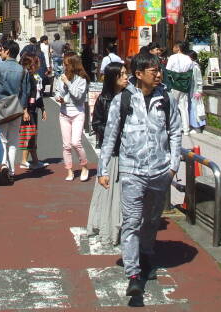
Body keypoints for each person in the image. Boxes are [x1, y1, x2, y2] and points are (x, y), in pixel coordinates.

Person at [98, 51, 181, 297]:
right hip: (131, 169)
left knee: (152, 219)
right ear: (139, 74)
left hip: (159, 170)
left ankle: (146, 254)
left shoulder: (165, 98)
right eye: (153, 70)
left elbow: (175, 131)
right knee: (132, 221)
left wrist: (173, 164)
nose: (158, 74)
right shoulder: (122, 99)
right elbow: (110, 135)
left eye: (159, 69)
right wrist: (102, 169)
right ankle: (133, 274)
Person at [87, 62, 129, 247]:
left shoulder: (131, 97)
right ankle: (110, 227)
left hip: (128, 151)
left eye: (126, 73)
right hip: (112, 153)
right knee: (111, 191)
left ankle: (124, 228)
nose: (126, 77)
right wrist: (114, 130)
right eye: (121, 74)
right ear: (113, 78)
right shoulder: (104, 99)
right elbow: (96, 123)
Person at [0, 40, 30, 185]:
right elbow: (25, 92)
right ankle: (11, 171)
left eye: (2, 49)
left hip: (1, 106)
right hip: (16, 107)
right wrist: (23, 108)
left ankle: (4, 164)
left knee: (2, 139)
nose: (1, 51)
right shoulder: (23, 70)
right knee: (13, 141)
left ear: (7, 51)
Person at [54, 54, 90, 182]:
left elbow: (78, 96)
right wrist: (59, 97)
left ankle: (84, 166)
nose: (63, 66)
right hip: (64, 113)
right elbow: (57, 92)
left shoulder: (81, 79)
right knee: (66, 145)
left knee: (76, 142)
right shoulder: (61, 77)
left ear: (73, 65)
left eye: (66, 64)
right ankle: (69, 170)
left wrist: (67, 83)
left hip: (78, 113)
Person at [19, 54, 48, 170]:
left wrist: (43, 108)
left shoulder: (36, 76)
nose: (40, 64)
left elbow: (38, 94)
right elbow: (25, 94)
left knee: (32, 134)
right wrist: (25, 110)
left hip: (34, 108)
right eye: (37, 62)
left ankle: (33, 160)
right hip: (28, 109)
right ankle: (24, 160)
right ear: (32, 64)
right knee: (28, 134)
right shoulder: (26, 76)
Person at [164, 41, 194, 135]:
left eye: (174, 46)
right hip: (184, 84)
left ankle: (173, 127)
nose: (173, 48)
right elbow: (190, 70)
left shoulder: (173, 57)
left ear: (178, 48)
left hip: (175, 84)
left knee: (173, 106)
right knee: (184, 107)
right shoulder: (188, 58)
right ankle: (186, 129)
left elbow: (168, 70)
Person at [187, 51, 205, 134]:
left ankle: (197, 127)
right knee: (191, 108)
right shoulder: (190, 65)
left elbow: (199, 80)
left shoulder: (195, 66)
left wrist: (199, 91)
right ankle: (192, 125)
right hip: (191, 90)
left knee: (195, 109)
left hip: (195, 91)